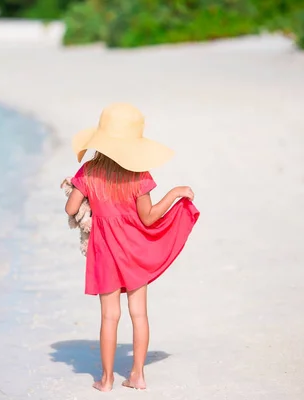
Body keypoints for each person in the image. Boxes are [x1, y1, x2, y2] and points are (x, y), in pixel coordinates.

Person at [65, 103, 200, 392]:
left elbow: (70, 207)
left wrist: (80, 192)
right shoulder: (139, 175)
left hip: (104, 254)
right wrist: (174, 194)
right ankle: (137, 375)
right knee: (139, 313)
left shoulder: (89, 171)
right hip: (134, 251)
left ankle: (106, 379)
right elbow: (149, 217)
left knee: (109, 316)